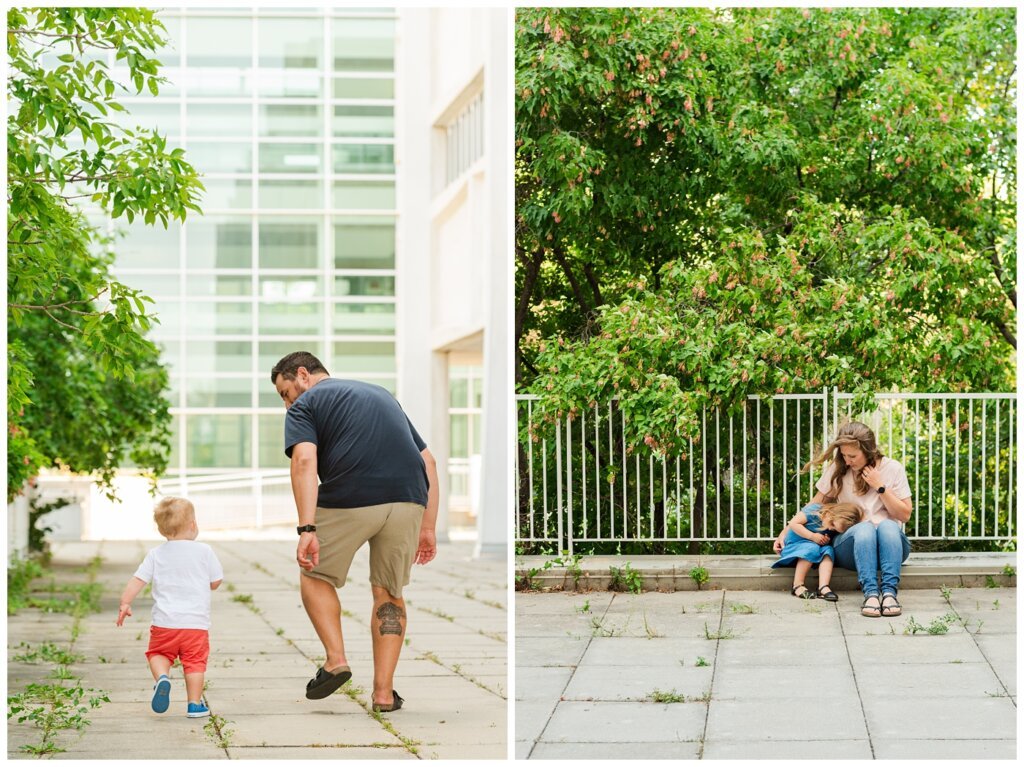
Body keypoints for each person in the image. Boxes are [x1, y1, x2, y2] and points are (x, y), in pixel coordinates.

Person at [270, 351, 439, 713]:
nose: (287, 405)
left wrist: (306, 528)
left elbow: (303, 460)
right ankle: (383, 693)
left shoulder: (307, 404)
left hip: (352, 495)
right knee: (389, 592)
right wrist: (428, 526)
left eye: (285, 393)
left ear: (302, 374)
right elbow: (428, 461)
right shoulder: (381, 394)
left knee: (314, 573)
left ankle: (335, 661)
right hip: (408, 499)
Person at [774, 421, 913, 618]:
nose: (847, 461)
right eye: (844, 455)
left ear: (869, 450)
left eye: (853, 456)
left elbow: (905, 515)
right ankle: (871, 594)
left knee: (889, 526)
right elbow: (815, 504)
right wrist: (784, 532)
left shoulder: (893, 469)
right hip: (853, 547)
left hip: (890, 548)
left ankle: (890, 594)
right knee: (864, 529)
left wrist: (879, 486)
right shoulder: (838, 469)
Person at [116, 497, 224, 717]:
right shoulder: (204, 551)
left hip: (164, 623)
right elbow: (215, 582)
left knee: (157, 653)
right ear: (193, 525)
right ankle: (194, 704)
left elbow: (138, 580)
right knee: (194, 663)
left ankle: (162, 678)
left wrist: (125, 602)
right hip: (195, 625)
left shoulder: (156, 554)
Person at [772, 502, 863, 601]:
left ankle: (823, 587)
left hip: (812, 547)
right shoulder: (814, 510)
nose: (830, 528)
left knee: (828, 550)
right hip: (792, 545)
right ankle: (797, 585)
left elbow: (823, 539)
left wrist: (825, 540)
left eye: (834, 529)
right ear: (833, 512)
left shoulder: (832, 525)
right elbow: (793, 523)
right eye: (832, 524)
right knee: (811, 548)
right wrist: (812, 536)